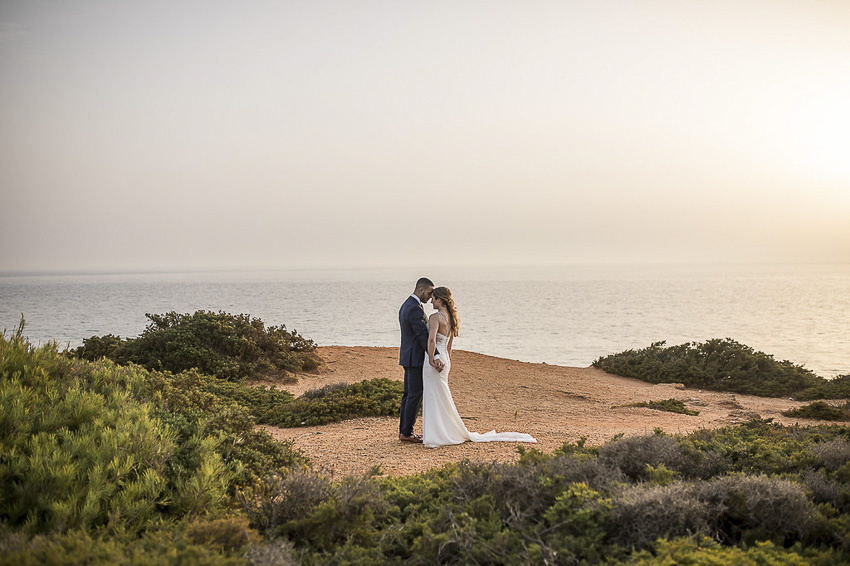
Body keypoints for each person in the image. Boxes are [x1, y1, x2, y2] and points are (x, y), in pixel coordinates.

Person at [421, 286, 537, 448]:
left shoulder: (435, 317)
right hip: (445, 360)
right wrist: (447, 362)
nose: (431, 301)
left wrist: (432, 360)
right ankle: (442, 432)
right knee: (441, 396)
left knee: (434, 395)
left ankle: (436, 434)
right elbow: (449, 346)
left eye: (433, 298)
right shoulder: (451, 318)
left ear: (439, 300)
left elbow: (432, 340)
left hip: (436, 360)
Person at [398, 277, 442, 443]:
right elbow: (422, 335)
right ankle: (407, 432)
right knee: (415, 395)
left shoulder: (407, 305)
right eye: (429, 293)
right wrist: (435, 355)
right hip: (414, 358)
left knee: (408, 395)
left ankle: (404, 431)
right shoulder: (414, 309)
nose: (430, 297)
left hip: (408, 356)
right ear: (421, 290)